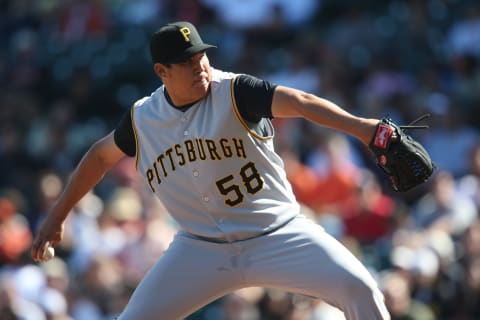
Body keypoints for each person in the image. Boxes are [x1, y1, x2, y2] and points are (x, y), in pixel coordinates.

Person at [31, 21, 391, 319]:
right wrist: (58, 215)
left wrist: (364, 128)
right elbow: (99, 156)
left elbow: (301, 102)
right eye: (187, 62)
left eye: (201, 57)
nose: (199, 66)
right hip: (199, 249)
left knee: (360, 288)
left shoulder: (235, 91)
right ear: (162, 72)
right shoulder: (144, 119)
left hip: (277, 234)